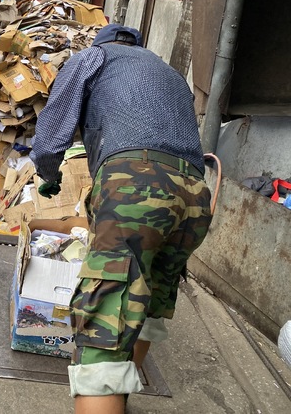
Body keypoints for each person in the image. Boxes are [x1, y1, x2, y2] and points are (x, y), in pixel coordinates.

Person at [31, 24, 213, 413]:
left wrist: (49, 175)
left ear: (102, 43)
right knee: (149, 299)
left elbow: (51, 132)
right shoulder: (168, 72)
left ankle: (105, 395)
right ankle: (119, 400)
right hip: (195, 195)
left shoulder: (91, 58)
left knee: (105, 317)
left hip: (136, 186)